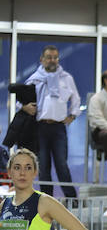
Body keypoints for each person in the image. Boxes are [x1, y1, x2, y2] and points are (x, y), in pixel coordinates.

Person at [22, 45, 80, 199]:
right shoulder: (34, 79)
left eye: (55, 57)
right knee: (43, 166)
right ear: (42, 60)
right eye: (49, 57)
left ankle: (72, 199)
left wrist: (72, 116)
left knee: (62, 164)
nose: (52, 60)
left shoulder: (66, 78)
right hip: (40, 127)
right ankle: (46, 199)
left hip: (59, 128)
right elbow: (21, 102)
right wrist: (26, 107)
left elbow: (76, 98)